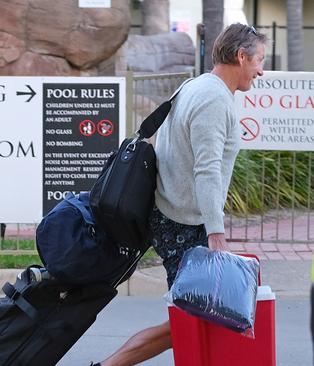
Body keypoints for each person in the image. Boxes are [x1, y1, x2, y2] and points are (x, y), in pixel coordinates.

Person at [90, 23, 267, 366]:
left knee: (199, 314)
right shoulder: (213, 99)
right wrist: (216, 233)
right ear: (241, 56)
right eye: (258, 60)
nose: (261, 70)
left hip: (179, 218)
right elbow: (207, 170)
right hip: (183, 225)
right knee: (189, 317)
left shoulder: (197, 86)